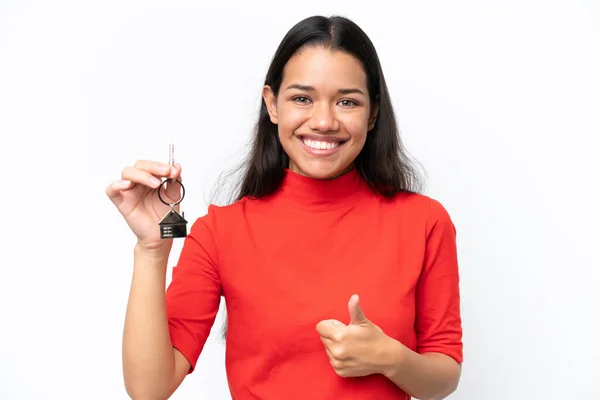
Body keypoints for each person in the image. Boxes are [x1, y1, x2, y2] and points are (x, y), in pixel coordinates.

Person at [106, 14, 463, 400]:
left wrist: (391, 358)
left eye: (347, 101)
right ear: (272, 105)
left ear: (373, 112)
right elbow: (149, 389)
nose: (324, 121)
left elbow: (444, 376)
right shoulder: (221, 233)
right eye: (302, 98)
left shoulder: (424, 222)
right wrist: (151, 249)